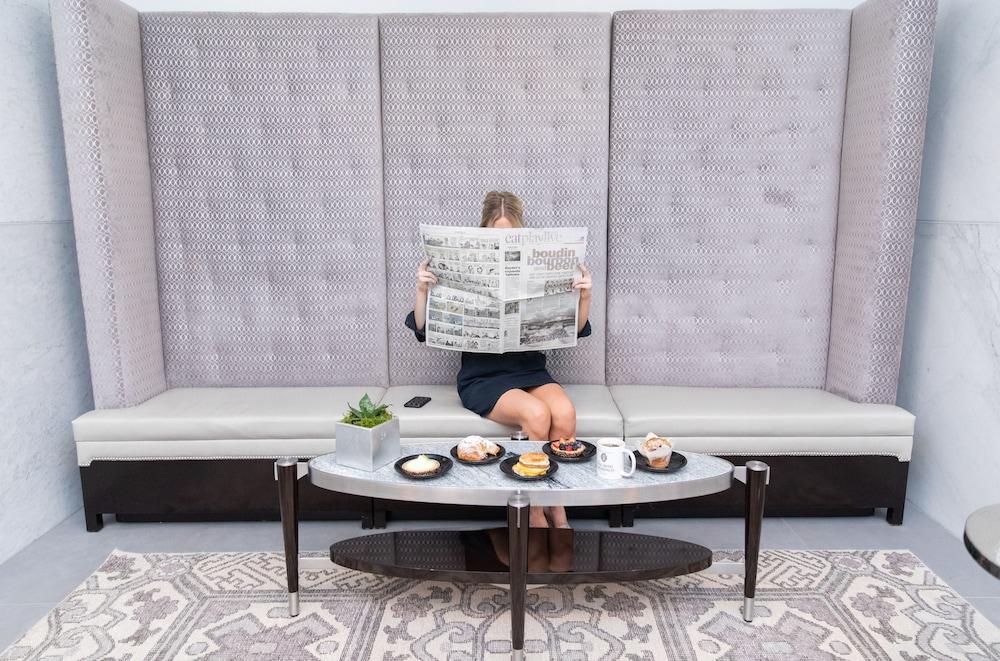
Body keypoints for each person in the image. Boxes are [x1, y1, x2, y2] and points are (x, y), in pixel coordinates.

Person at [405, 191, 592, 529]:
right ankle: (533, 511)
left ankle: (558, 504)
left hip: (530, 371)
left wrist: (584, 295)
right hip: (483, 378)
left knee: (564, 412)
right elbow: (421, 327)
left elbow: (577, 330)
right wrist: (422, 291)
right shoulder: (464, 268)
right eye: (496, 236)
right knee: (537, 414)